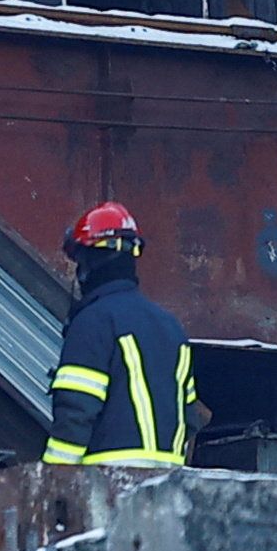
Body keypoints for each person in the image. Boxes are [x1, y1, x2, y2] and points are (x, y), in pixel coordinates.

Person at [40, 201, 197, 470]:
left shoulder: (93, 322)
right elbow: (190, 418)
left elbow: (76, 413)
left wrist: (52, 478)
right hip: (168, 489)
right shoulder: (172, 327)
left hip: (106, 490)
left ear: (89, 263)